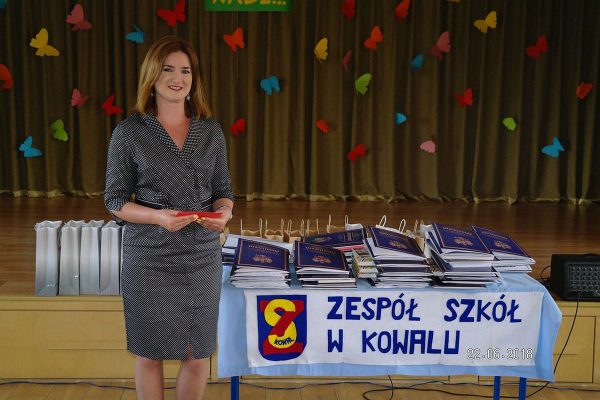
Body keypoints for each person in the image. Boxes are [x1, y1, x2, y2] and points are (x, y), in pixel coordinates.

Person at [104, 36, 234, 400]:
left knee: (198, 354)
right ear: (152, 75)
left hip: (202, 255)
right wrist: (157, 217)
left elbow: (224, 189)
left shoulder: (211, 130)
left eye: (185, 71)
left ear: (194, 79)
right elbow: (115, 200)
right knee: (150, 355)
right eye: (168, 69)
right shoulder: (129, 132)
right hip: (149, 255)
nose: (178, 78)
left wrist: (224, 213)